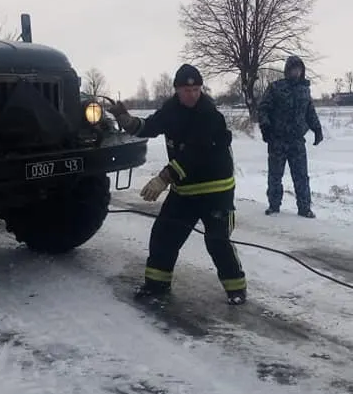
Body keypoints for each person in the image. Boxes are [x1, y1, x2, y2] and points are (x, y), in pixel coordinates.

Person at [109, 64, 247, 306]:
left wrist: (163, 178)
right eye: (186, 89)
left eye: (196, 89)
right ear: (177, 90)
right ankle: (156, 286)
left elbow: (194, 154)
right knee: (164, 236)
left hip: (216, 190)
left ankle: (236, 288)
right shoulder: (171, 110)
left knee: (217, 241)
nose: (192, 94)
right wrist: (127, 120)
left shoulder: (210, 115)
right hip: (185, 190)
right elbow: (151, 126)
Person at [256, 54, 323, 218]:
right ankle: (274, 206)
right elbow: (263, 108)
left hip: (297, 142)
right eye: (293, 69)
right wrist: (265, 128)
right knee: (275, 175)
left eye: (299, 69)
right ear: (287, 70)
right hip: (278, 140)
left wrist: (317, 129)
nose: (296, 72)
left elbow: (310, 112)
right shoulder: (276, 87)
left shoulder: (304, 89)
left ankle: (304, 208)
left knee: (301, 176)